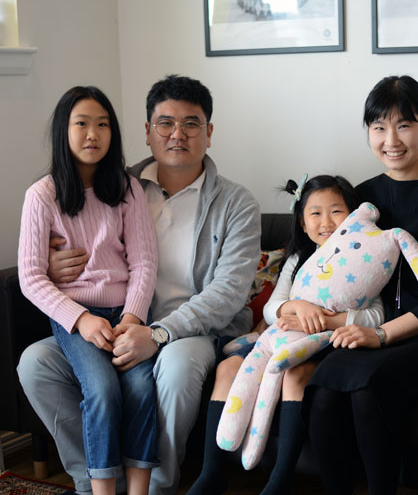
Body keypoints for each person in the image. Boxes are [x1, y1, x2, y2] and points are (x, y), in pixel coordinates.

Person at [17, 75, 261, 495]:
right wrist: (56, 268)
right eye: (165, 123)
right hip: (105, 322)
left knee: (176, 368)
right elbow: (56, 255)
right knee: (35, 363)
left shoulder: (236, 204)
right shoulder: (113, 185)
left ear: (209, 132)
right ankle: (89, 478)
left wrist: (158, 332)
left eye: (191, 123)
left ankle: (156, 488)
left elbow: (229, 292)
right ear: (147, 132)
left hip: (188, 329)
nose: (177, 135)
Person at [303, 75, 418, 495]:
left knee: (369, 387)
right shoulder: (364, 197)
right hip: (368, 327)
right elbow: (324, 258)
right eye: (379, 127)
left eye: (403, 125)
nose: (391, 140)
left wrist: (381, 334)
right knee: (324, 387)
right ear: (368, 131)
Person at [187, 175, 385, 495]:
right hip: (277, 339)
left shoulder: (365, 256)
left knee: (294, 376)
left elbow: (376, 315)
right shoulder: (298, 259)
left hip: (323, 344)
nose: (326, 222)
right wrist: (294, 305)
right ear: (303, 223)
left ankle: (280, 478)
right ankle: (212, 471)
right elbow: (272, 309)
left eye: (336, 211)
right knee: (226, 368)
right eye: (315, 213)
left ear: (353, 216)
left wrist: (327, 320)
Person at [18, 86, 159, 495]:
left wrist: (133, 317)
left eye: (103, 125)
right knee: (100, 390)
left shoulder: (128, 190)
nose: (92, 134)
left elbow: (144, 262)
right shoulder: (42, 195)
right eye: (81, 124)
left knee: (140, 388)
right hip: (76, 315)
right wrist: (80, 319)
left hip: (127, 314)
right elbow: (30, 276)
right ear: (64, 130)